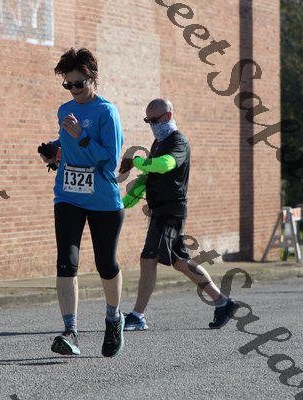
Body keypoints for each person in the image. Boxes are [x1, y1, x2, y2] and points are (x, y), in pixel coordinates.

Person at [119, 98, 239, 331]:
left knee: (148, 259)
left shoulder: (178, 141)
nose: (152, 125)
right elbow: (149, 177)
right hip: (160, 210)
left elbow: (165, 164)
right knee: (181, 263)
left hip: (170, 211)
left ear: (169, 116)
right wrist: (123, 202)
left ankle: (137, 315)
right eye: (148, 121)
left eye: (155, 120)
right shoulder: (158, 143)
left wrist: (136, 161)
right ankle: (223, 302)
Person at [38, 48, 125, 357]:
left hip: (103, 200)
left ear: (93, 78)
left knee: (106, 265)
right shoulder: (65, 110)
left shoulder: (106, 112)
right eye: (68, 84)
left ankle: (113, 318)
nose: (73, 89)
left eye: (79, 83)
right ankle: (70, 331)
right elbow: (68, 144)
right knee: (66, 261)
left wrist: (81, 136)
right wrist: (55, 151)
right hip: (68, 196)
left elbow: (110, 161)